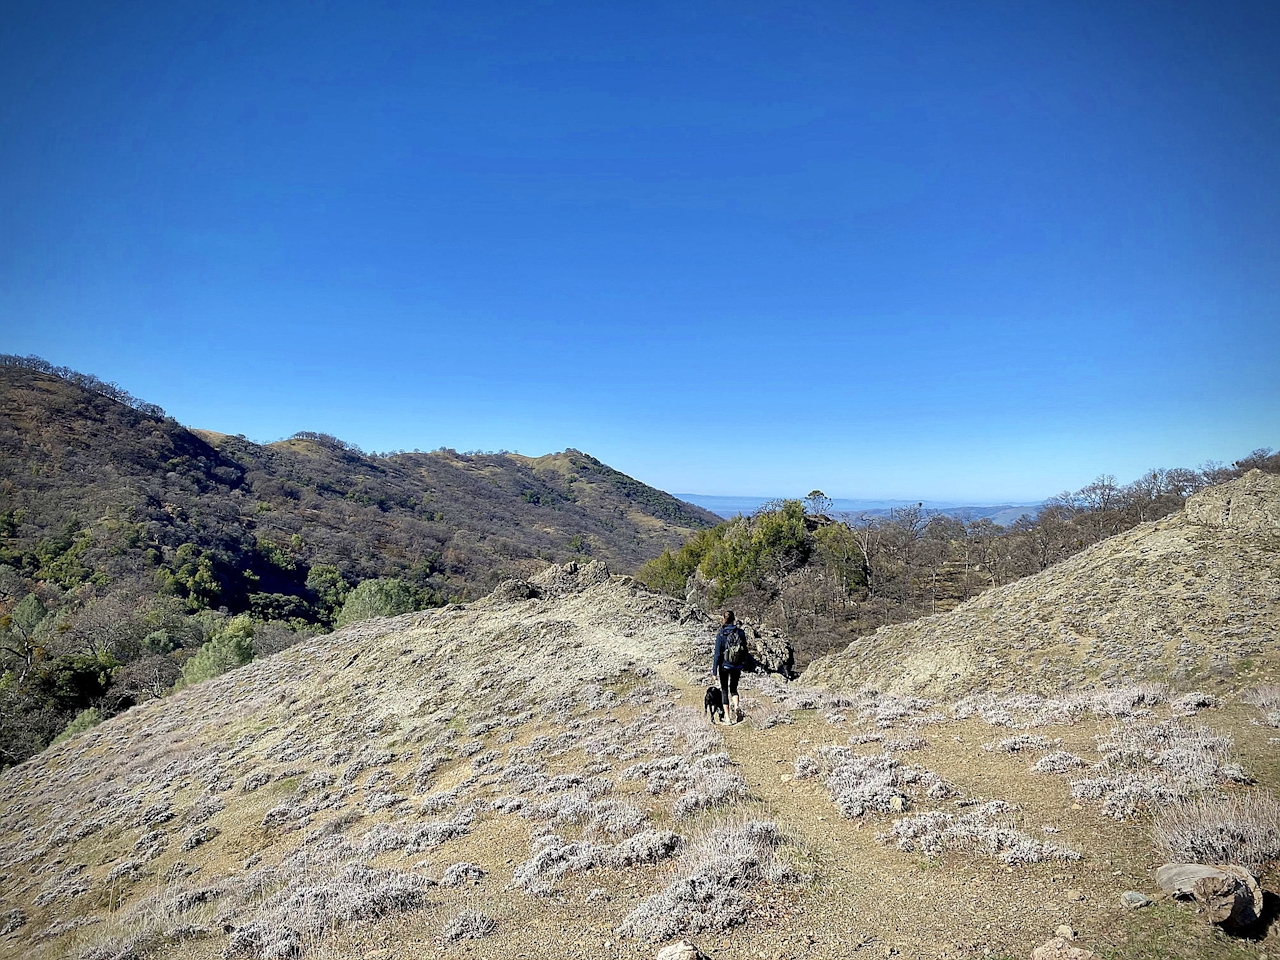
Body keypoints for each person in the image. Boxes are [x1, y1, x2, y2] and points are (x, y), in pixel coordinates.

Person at [712, 610, 747, 725]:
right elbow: (745, 650)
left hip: (724, 666)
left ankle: (727, 718)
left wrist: (714, 671)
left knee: (724, 690)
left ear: (724, 619)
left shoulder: (721, 634)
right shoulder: (740, 633)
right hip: (737, 665)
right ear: (734, 619)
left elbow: (717, 654)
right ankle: (736, 706)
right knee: (734, 689)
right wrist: (743, 663)